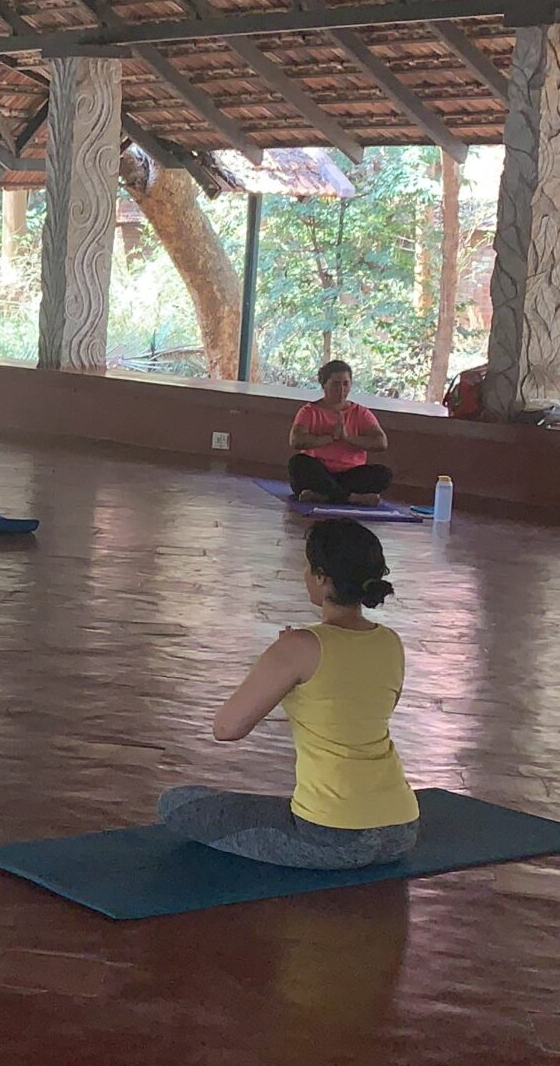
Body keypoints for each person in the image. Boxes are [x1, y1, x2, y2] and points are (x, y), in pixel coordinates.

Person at [157, 519, 419, 870]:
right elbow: (360, 709)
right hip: (402, 829)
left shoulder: (298, 647)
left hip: (331, 836)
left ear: (322, 577)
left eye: (308, 567)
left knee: (177, 803)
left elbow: (226, 728)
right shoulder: (391, 642)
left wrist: (284, 668)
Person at [288, 359, 394, 506]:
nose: (341, 389)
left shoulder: (361, 413)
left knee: (384, 474)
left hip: (351, 473)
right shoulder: (309, 411)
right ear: (324, 384)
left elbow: (381, 442)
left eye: (345, 384)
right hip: (320, 471)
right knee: (297, 463)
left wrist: (347, 438)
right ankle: (352, 498)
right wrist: (330, 437)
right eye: (335, 384)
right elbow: (296, 441)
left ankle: (325, 495)